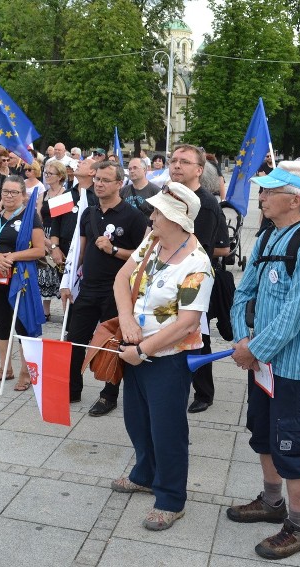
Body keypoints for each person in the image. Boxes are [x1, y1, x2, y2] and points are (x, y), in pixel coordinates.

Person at [227, 161, 300, 560]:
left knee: (291, 442)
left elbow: (299, 310)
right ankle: (271, 502)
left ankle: (297, 524)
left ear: (295, 200)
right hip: (263, 363)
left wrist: (255, 349)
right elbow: (244, 293)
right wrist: (243, 339)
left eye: (270, 192)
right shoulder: (268, 236)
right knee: (262, 432)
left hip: (293, 364)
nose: (262, 197)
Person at [112, 182, 214, 531]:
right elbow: (121, 278)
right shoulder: (152, 242)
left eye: (157, 212)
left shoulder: (198, 263)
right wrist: (126, 321)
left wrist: (143, 351)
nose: (151, 216)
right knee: (136, 419)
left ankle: (171, 499)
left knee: (167, 430)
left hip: (166, 358)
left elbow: (188, 322)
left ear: (177, 220)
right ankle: (144, 473)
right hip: (134, 347)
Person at [61, 161, 148, 409]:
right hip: (88, 288)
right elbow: (80, 249)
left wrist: (114, 249)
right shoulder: (88, 213)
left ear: (119, 184)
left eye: (105, 180)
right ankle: (72, 389)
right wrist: (68, 281)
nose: (98, 184)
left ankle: (108, 395)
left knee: (112, 345)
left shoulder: (134, 217)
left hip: (116, 291)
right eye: (97, 179)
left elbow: (140, 257)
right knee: (75, 339)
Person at [168, 144, 229, 415]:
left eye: (184, 162)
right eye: (173, 160)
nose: (177, 165)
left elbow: (198, 248)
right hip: (169, 274)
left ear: (199, 170)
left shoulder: (203, 203)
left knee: (197, 335)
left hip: (192, 280)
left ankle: (204, 392)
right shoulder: (170, 195)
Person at [0, 176, 46, 389]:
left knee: (22, 323)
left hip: (19, 278)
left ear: (23, 195)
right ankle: (5, 367)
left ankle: (26, 371)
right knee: (1, 322)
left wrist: (12, 257)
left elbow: (39, 250)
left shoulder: (30, 216)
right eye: (5, 191)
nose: (8, 195)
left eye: (14, 192)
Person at [38, 160, 68, 318]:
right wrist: (42, 239)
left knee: (61, 277)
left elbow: (64, 220)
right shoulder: (43, 194)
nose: (47, 176)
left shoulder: (65, 194)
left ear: (60, 176)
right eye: (46, 173)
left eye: (50, 173)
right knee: (45, 275)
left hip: (60, 237)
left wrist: (54, 244)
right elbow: (37, 219)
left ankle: (66, 313)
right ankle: (45, 311)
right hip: (43, 235)